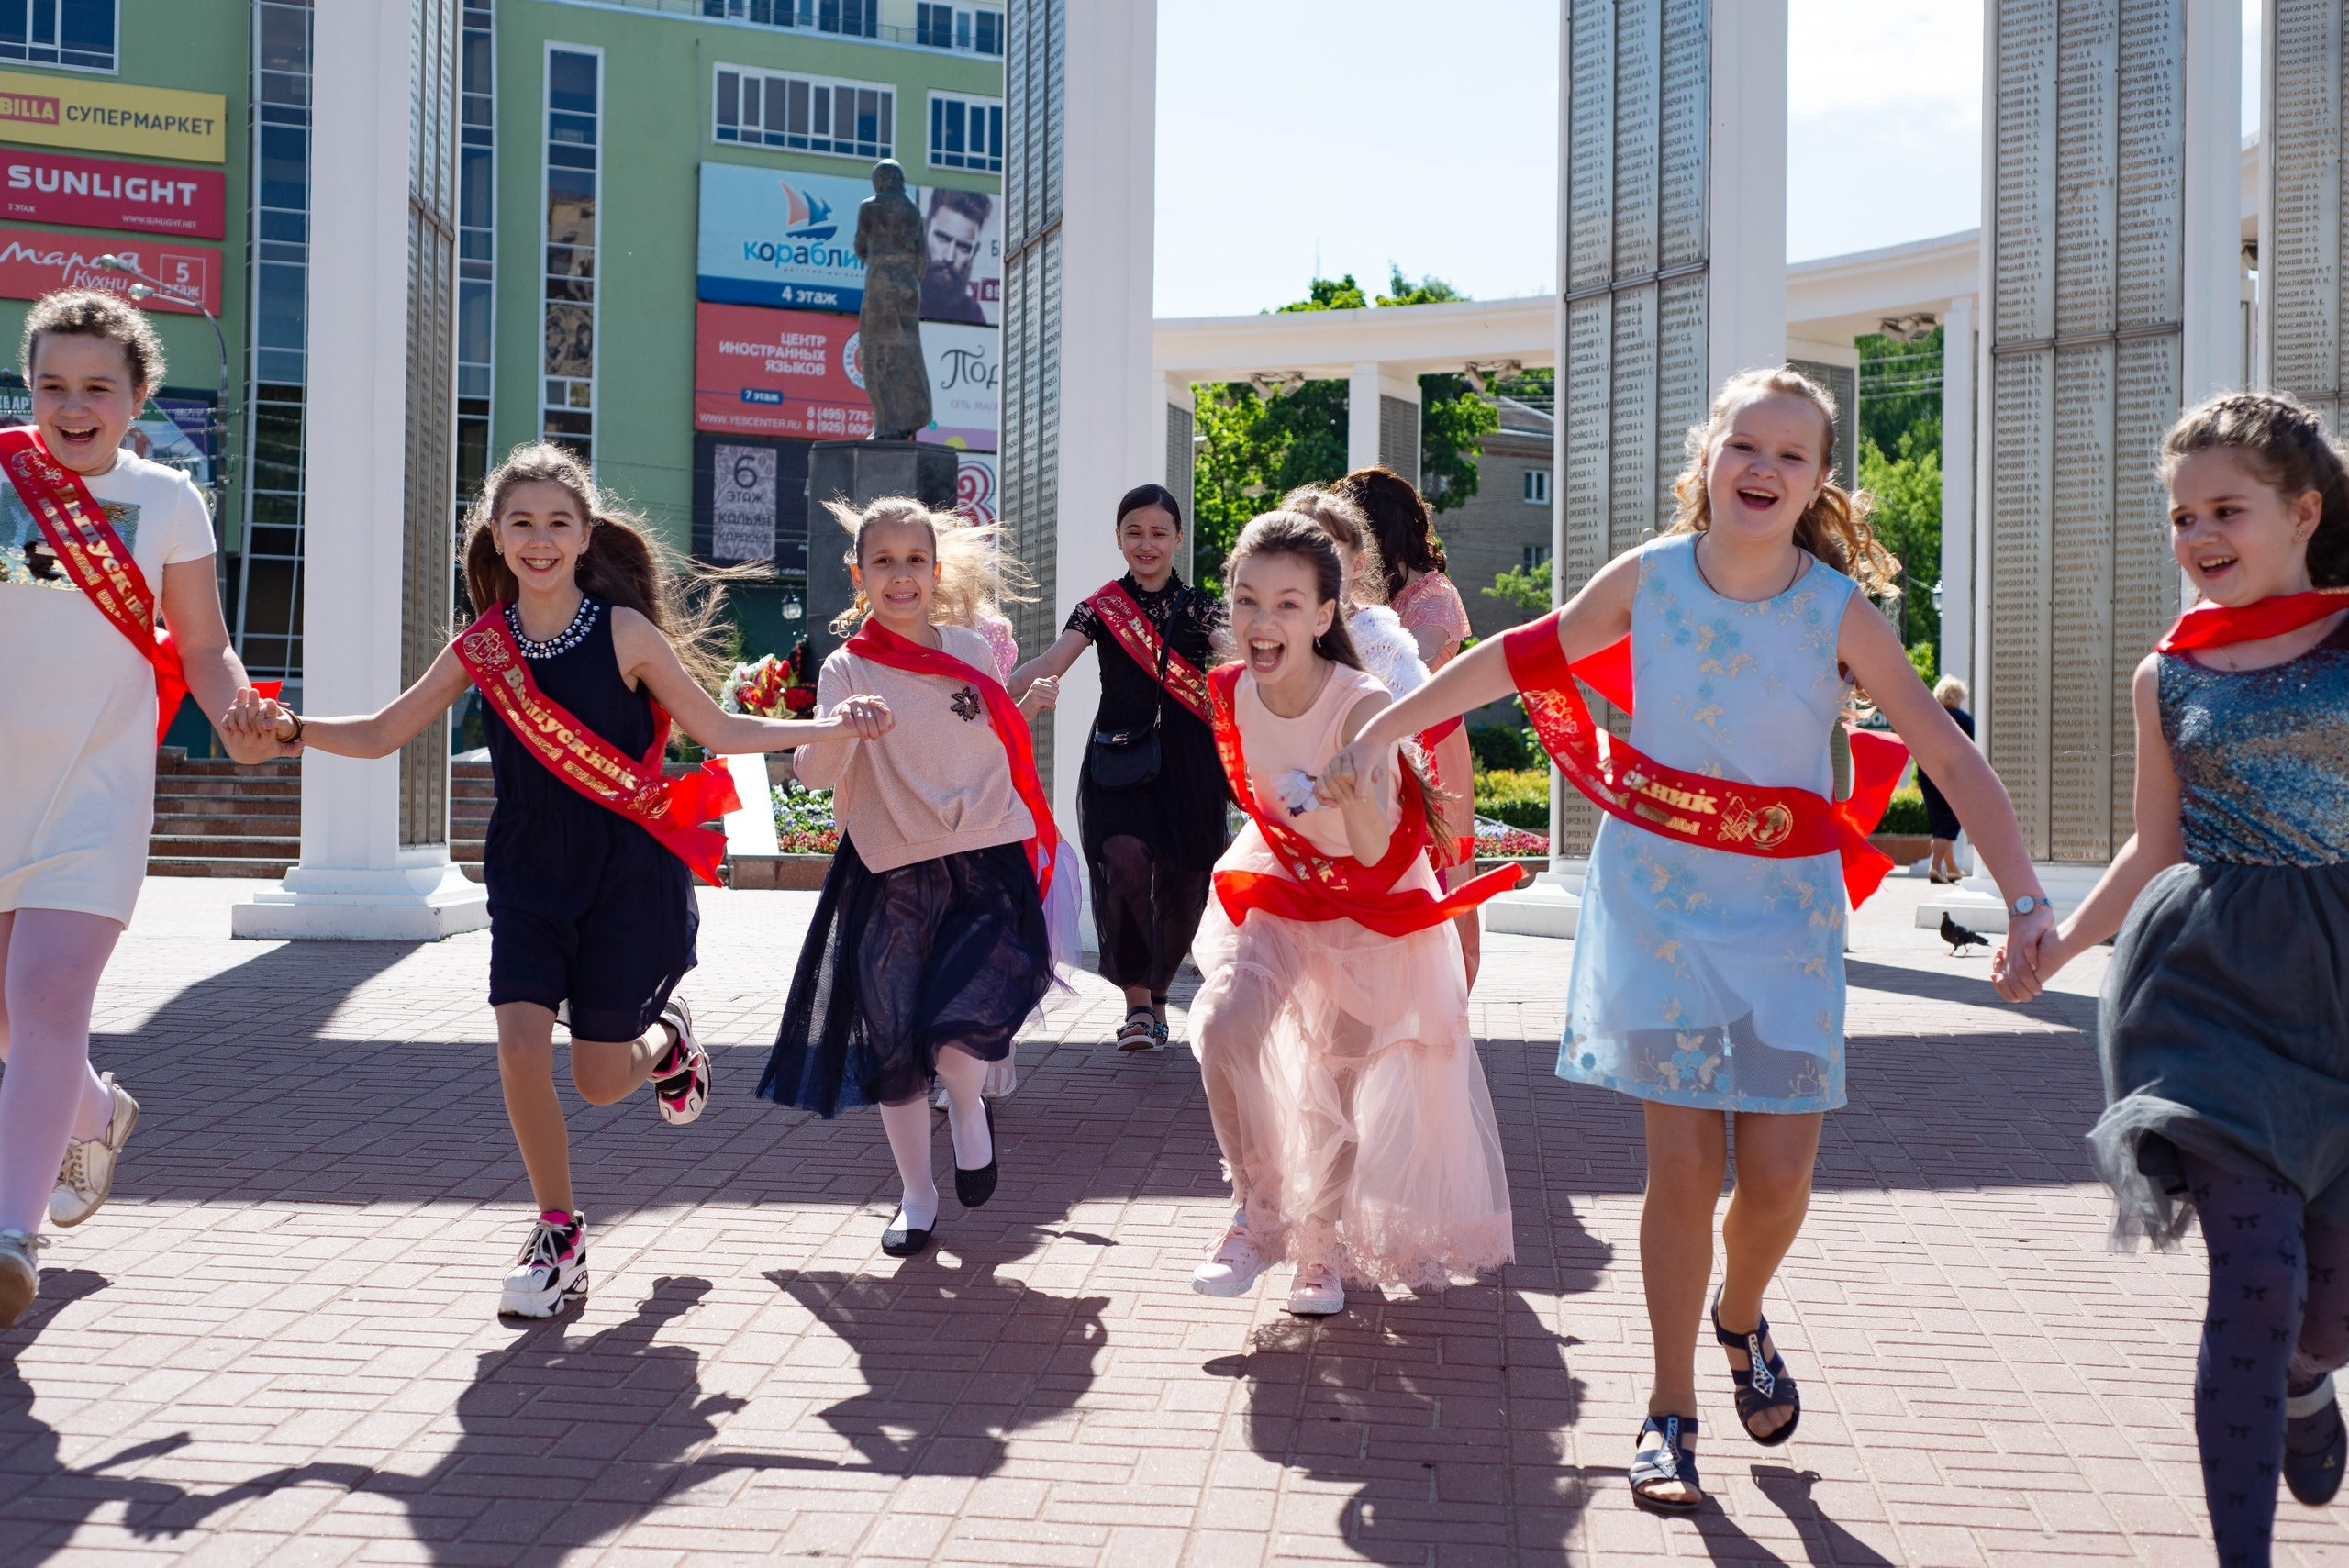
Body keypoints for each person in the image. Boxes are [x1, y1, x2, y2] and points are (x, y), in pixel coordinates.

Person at [1327, 366, 2050, 1513]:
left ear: (1816, 481)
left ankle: (1740, 1312)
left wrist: (2023, 898)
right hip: (1659, 901)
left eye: (1791, 454)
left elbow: (1947, 757)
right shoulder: (1650, 580)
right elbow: (1524, 655)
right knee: (1683, 1166)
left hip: (1786, 913)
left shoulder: (1834, 611)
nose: (1762, 468)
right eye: (1742, 446)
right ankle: (1669, 1406)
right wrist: (1388, 722)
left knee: (1777, 1175)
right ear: (1706, 458)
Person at [223, 442, 854, 1320]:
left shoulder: (626, 633)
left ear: (587, 535)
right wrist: (290, 731)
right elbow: (380, 731)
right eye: (521, 521)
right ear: (496, 534)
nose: (541, 537)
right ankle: (559, 1230)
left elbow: (710, 726)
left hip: (626, 871)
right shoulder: (484, 646)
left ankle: (664, 1044)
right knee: (519, 1044)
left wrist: (834, 726)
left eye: (559, 521)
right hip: (527, 867)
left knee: (599, 1080)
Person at [1994, 392, 2349, 1564]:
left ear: (2302, 511)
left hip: (2342, 983)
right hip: (2209, 993)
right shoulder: (2168, 674)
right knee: (2255, 1275)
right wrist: (2053, 941)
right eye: (2181, 513)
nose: (2198, 533)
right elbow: (2157, 846)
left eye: (2226, 509)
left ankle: (2307, 1373)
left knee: (2324, 1307)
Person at [0, 290, 281, 1327]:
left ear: (136, 398)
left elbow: (202, 647)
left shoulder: (168, 498)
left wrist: (241, 708)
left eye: (97, 389)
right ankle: (95, 1110)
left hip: (97, 795)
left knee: (47, 993)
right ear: (29, 388)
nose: (73, 408)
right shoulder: (0, 469)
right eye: (52, 385)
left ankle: (9, 1234)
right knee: (17, 1021)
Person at [1186, 512, 1520, 1319]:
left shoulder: (1362, 702)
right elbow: (1265, 803)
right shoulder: (1230, 690)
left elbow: (1375, 851)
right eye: (1248, 600)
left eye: (1290, 604)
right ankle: (1257, 1211)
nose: (1264, 622)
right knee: (1226, 1028)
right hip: (1284, 882)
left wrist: (1351, 796)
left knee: (1330, 1080)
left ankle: (1319, 1249)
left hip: (1375, 904)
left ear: (1327, 614)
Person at [759, 498, 1078, 1259]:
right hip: (890, 868)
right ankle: (916, 1192)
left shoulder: (969, 647)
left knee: (964, 1013)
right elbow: (811, 770)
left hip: (984, 856)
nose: (900, 576)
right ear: (857, 575)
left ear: (936, 572)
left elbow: (988, 737)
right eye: (883, 562)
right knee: (894, 1039)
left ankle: (967, 1106)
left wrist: (1026, 704)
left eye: (914, 561)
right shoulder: (844, 667)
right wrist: (842, 727)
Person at [1011, 484, 1227, 1051]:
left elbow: (1243, 662)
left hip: (1190, 766)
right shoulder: (1100, 608)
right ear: (1118, 538)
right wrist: (989, 693)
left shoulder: (1206, 609)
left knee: (1185, 883)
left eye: (1158, 532)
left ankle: (1158, 996)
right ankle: (1136, 1004)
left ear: (1178, 539)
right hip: (1117, 761)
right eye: (1135, 532)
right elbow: (1054, 660)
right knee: (1123, 864)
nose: (1146, 543)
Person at [1328, 467, 1484, 986]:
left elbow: (1406, 668)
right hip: (1373, 738)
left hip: (1430, 742)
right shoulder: (1365, 595)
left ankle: (1444, 986)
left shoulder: (1436, 594)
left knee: (1436, 864)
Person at [1281, 484, 1431, 703]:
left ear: (1357, 564)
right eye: (1291, 552)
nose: (1306, 565)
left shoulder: (1381, 645)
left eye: (1324, 550)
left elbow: (1402, 727)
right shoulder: (1271, 632)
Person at [1915, 676, 1976, 883]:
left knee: (1940, 820)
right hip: (1952, 773)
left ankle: (1951, 869)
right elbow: (1971, 751)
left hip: (1927, 772)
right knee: (1948, 821)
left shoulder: (1929, 718)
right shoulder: (1964, 720)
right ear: (1958, 695)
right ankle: (1934, 868)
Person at [920, 187, 992, 325]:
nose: (949, 257)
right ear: (925, 229)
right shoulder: (893, 300)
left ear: (974, 252)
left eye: (963, 247)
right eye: (943, 239)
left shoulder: (972, 314)